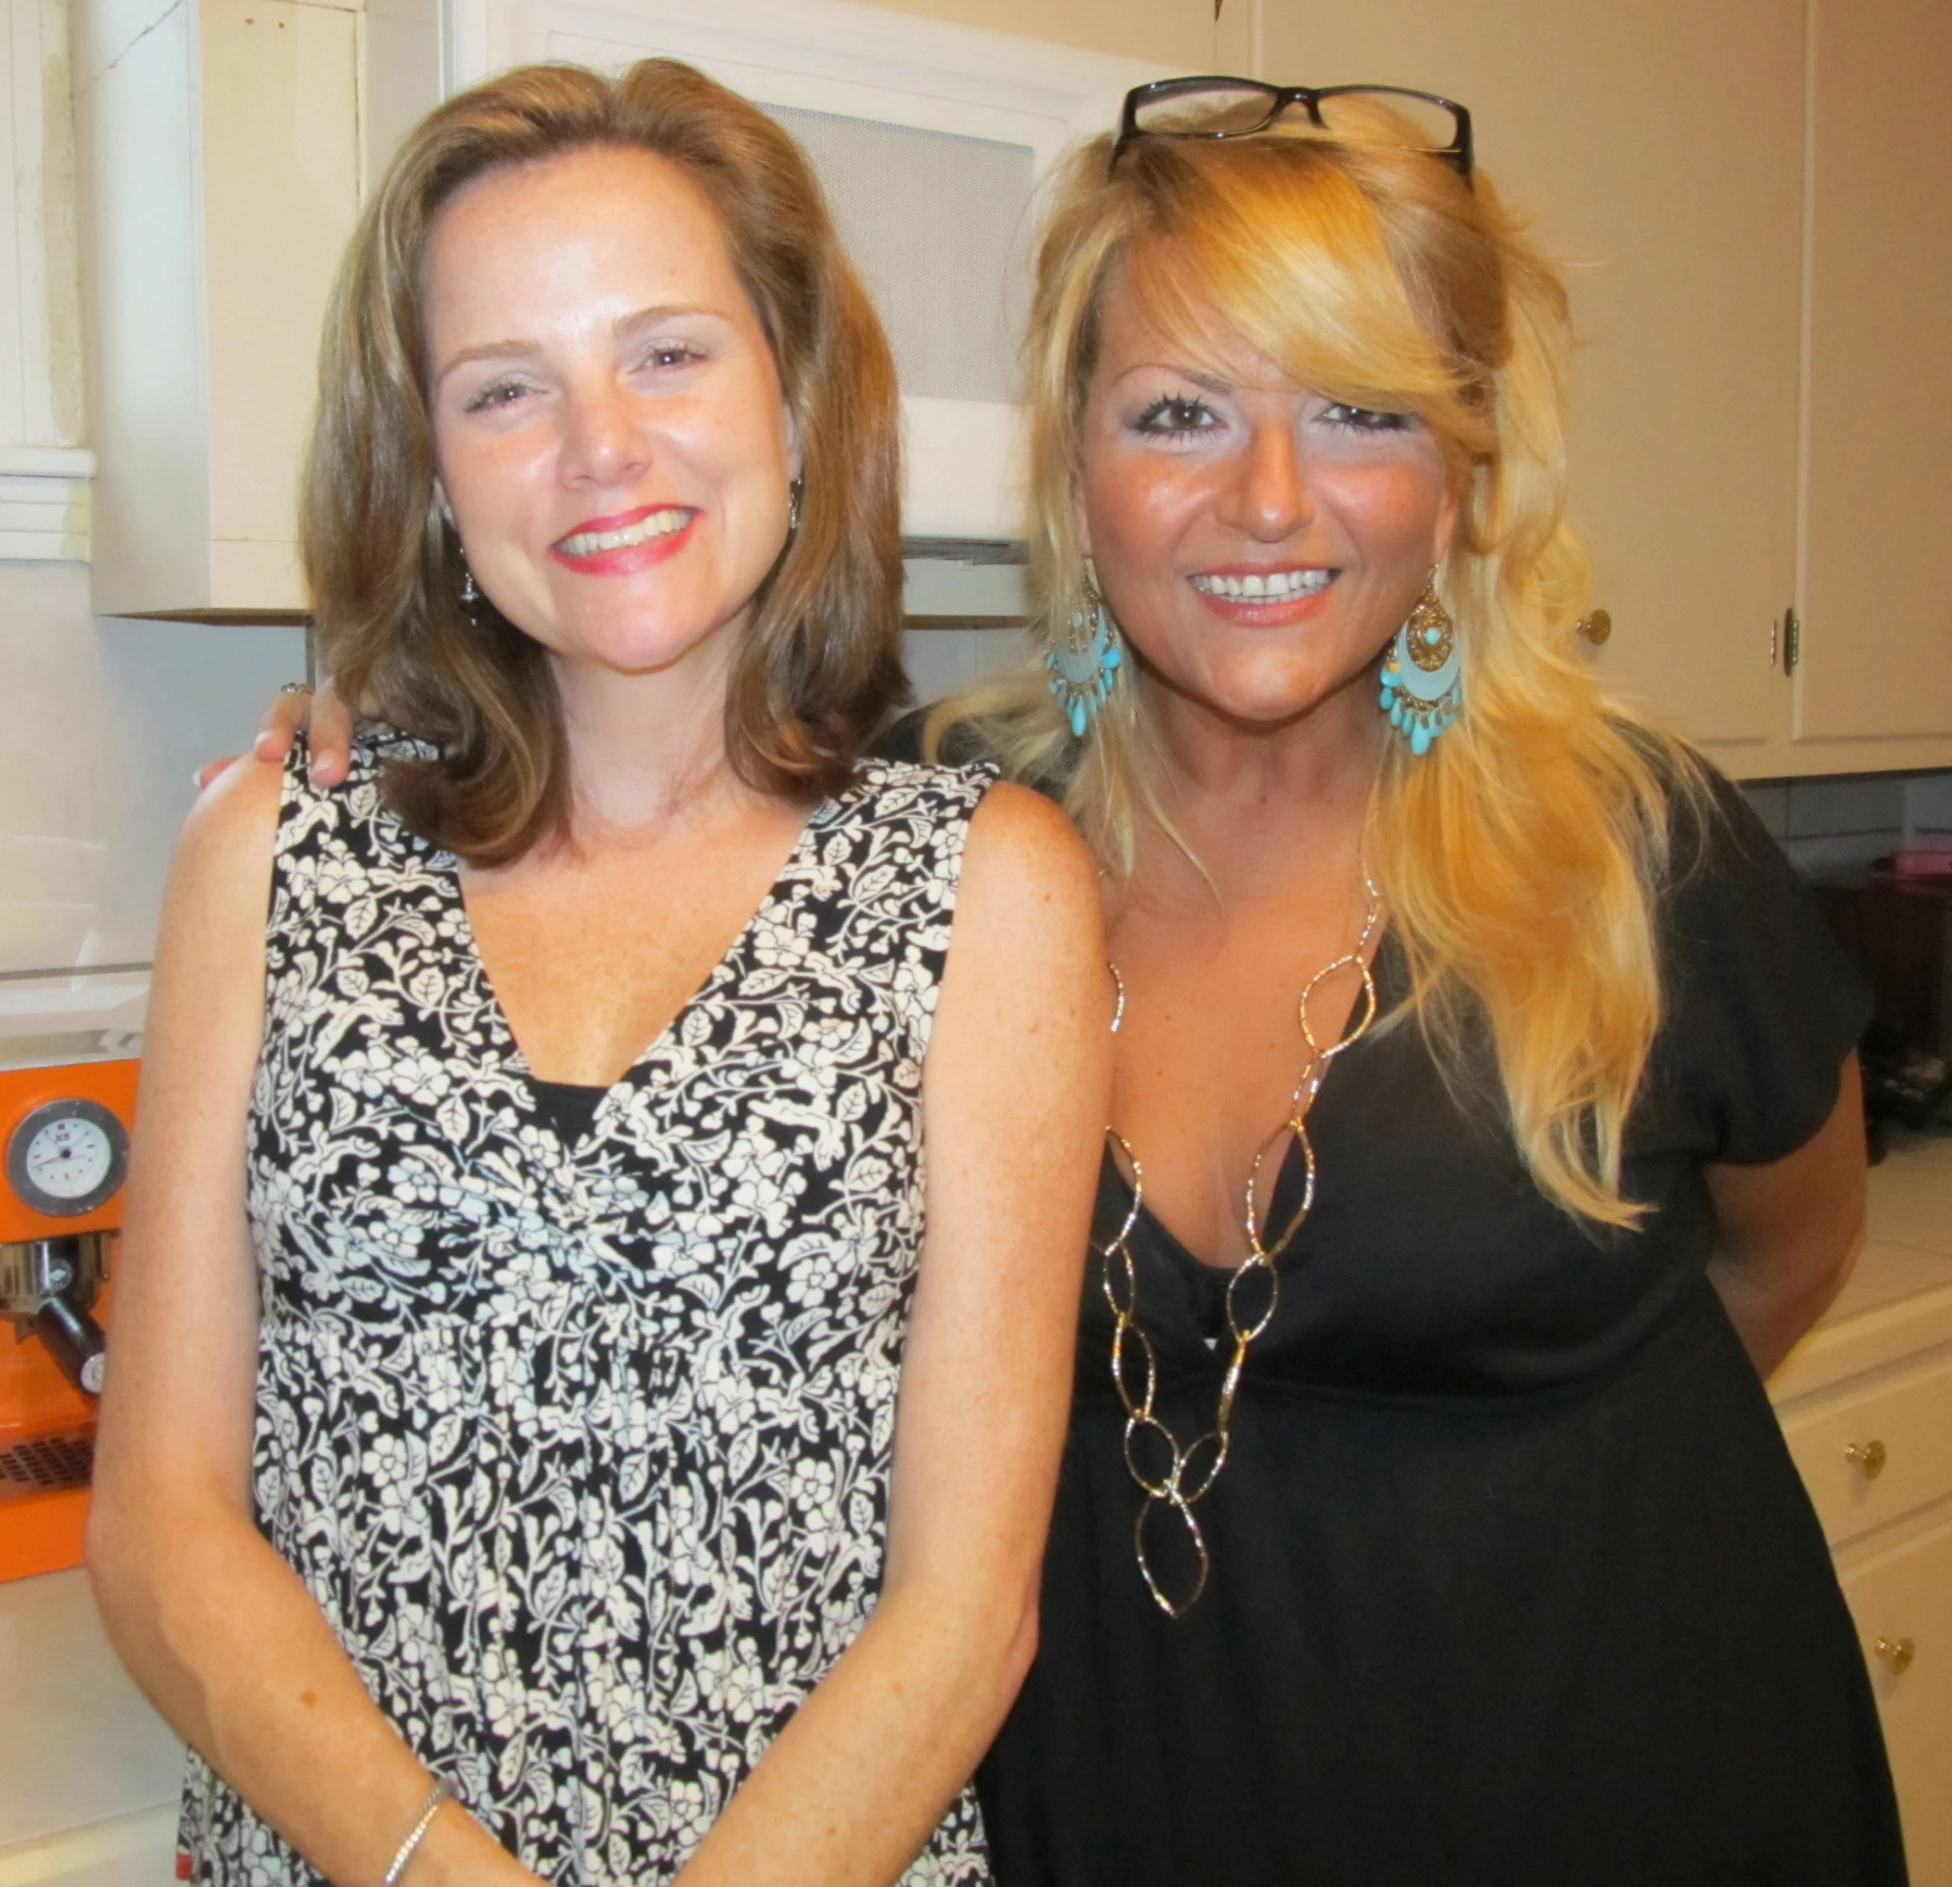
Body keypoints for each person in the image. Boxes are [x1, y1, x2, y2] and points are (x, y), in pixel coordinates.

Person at [236, 73, 1905, 1887]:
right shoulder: (945, 838)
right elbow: (607, 803)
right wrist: (379, 725)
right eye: (1179, 411)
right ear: (1077, 463)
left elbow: (1792, 1245)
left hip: (1615, 1770)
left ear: (1465, 468)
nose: (1267, 499)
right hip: (1127, 1797)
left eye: (1358, 410)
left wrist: (1503, 1461)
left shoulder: (1633, 856)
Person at [91, 59, 1107, 1887]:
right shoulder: (271, 854)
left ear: (794, 400)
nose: (600, 448)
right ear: (427, 472)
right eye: (504, 389)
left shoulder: (988, 889)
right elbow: (159, 1531)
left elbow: (966, 1614)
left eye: (667, 353)